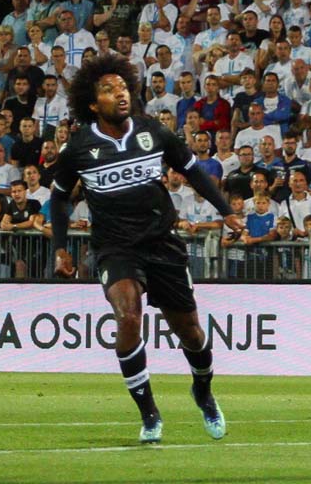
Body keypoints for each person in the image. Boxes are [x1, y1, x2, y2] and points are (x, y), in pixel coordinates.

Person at [50, 55, 237, 444]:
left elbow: (192, 171)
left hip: (162, 244)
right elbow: (59, 198)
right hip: (115, 248)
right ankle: (150, 414)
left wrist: (226, 211)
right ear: (92, 103)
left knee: (191, 332)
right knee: (128, 316)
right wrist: (61, 248)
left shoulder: (153, 131)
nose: (120, 93)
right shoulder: (78, 148)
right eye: (108, 89)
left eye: (122, 86)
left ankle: (203, 391)